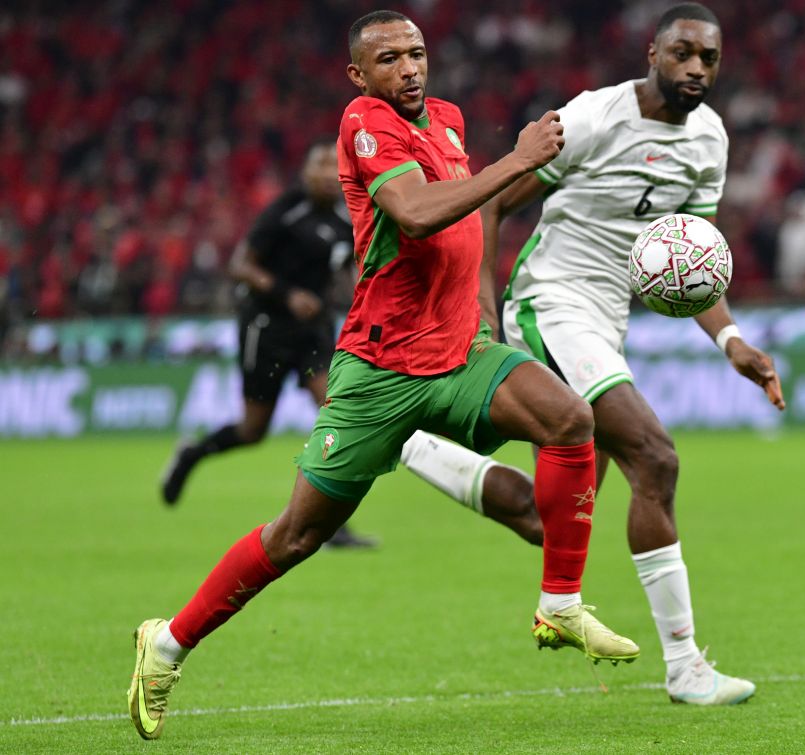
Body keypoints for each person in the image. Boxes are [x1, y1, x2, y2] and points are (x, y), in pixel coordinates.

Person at [128, 10, 638, 741]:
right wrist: (517, 160)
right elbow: (417, 213)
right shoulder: (364, 122)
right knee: (296, 536)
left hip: (459, 353)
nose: (409, 68)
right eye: (390, 58)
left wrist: (481, 305)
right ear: (358, 74)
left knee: (569, 419)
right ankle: (168, 644)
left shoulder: (449, 120)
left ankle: (559, 604)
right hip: (381, 371)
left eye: (416, 53)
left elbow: (471, 224)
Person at [400, 2, 785, 706]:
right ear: (652, 53)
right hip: (549, 301)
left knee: (548, 519)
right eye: (682, 53)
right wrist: (480, 310)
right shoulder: (594, 117)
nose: (696, 68)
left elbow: (692, 263)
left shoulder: (709, 140)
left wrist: (731, 340)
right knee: (654, 456)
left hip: (605, 323)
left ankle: (420, 447)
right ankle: (684, 666)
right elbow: (490, 204)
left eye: (708, 58)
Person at [159, 141, 376, 549]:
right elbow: (241, 265)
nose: (327, 173)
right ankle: (192, 454)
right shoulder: (285, 211)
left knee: (335, 412)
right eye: (320, 165)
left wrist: (364, 302)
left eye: (334, 165)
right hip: (267, 326)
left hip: (312, 330)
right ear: (306, 172)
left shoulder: (345, 216)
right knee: (253, 430)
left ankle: (330, 524)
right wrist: (287, 294)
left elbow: (350, 268)